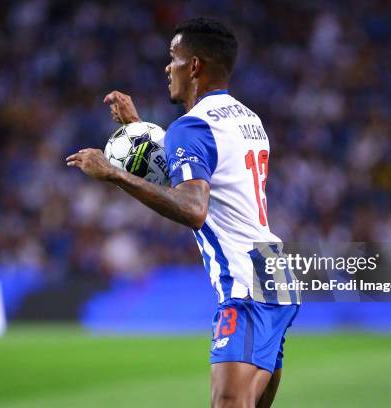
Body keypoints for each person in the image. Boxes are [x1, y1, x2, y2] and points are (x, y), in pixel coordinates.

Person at [66, 17, 300, 408]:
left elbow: (194, 208)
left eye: (173, 57)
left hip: (243, 283)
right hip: (274, 271)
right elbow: (208, 169)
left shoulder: (190, 126)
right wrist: (138, 129)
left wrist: (114, 174)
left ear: (194, 66)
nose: (166, 67)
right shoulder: (249, 120)